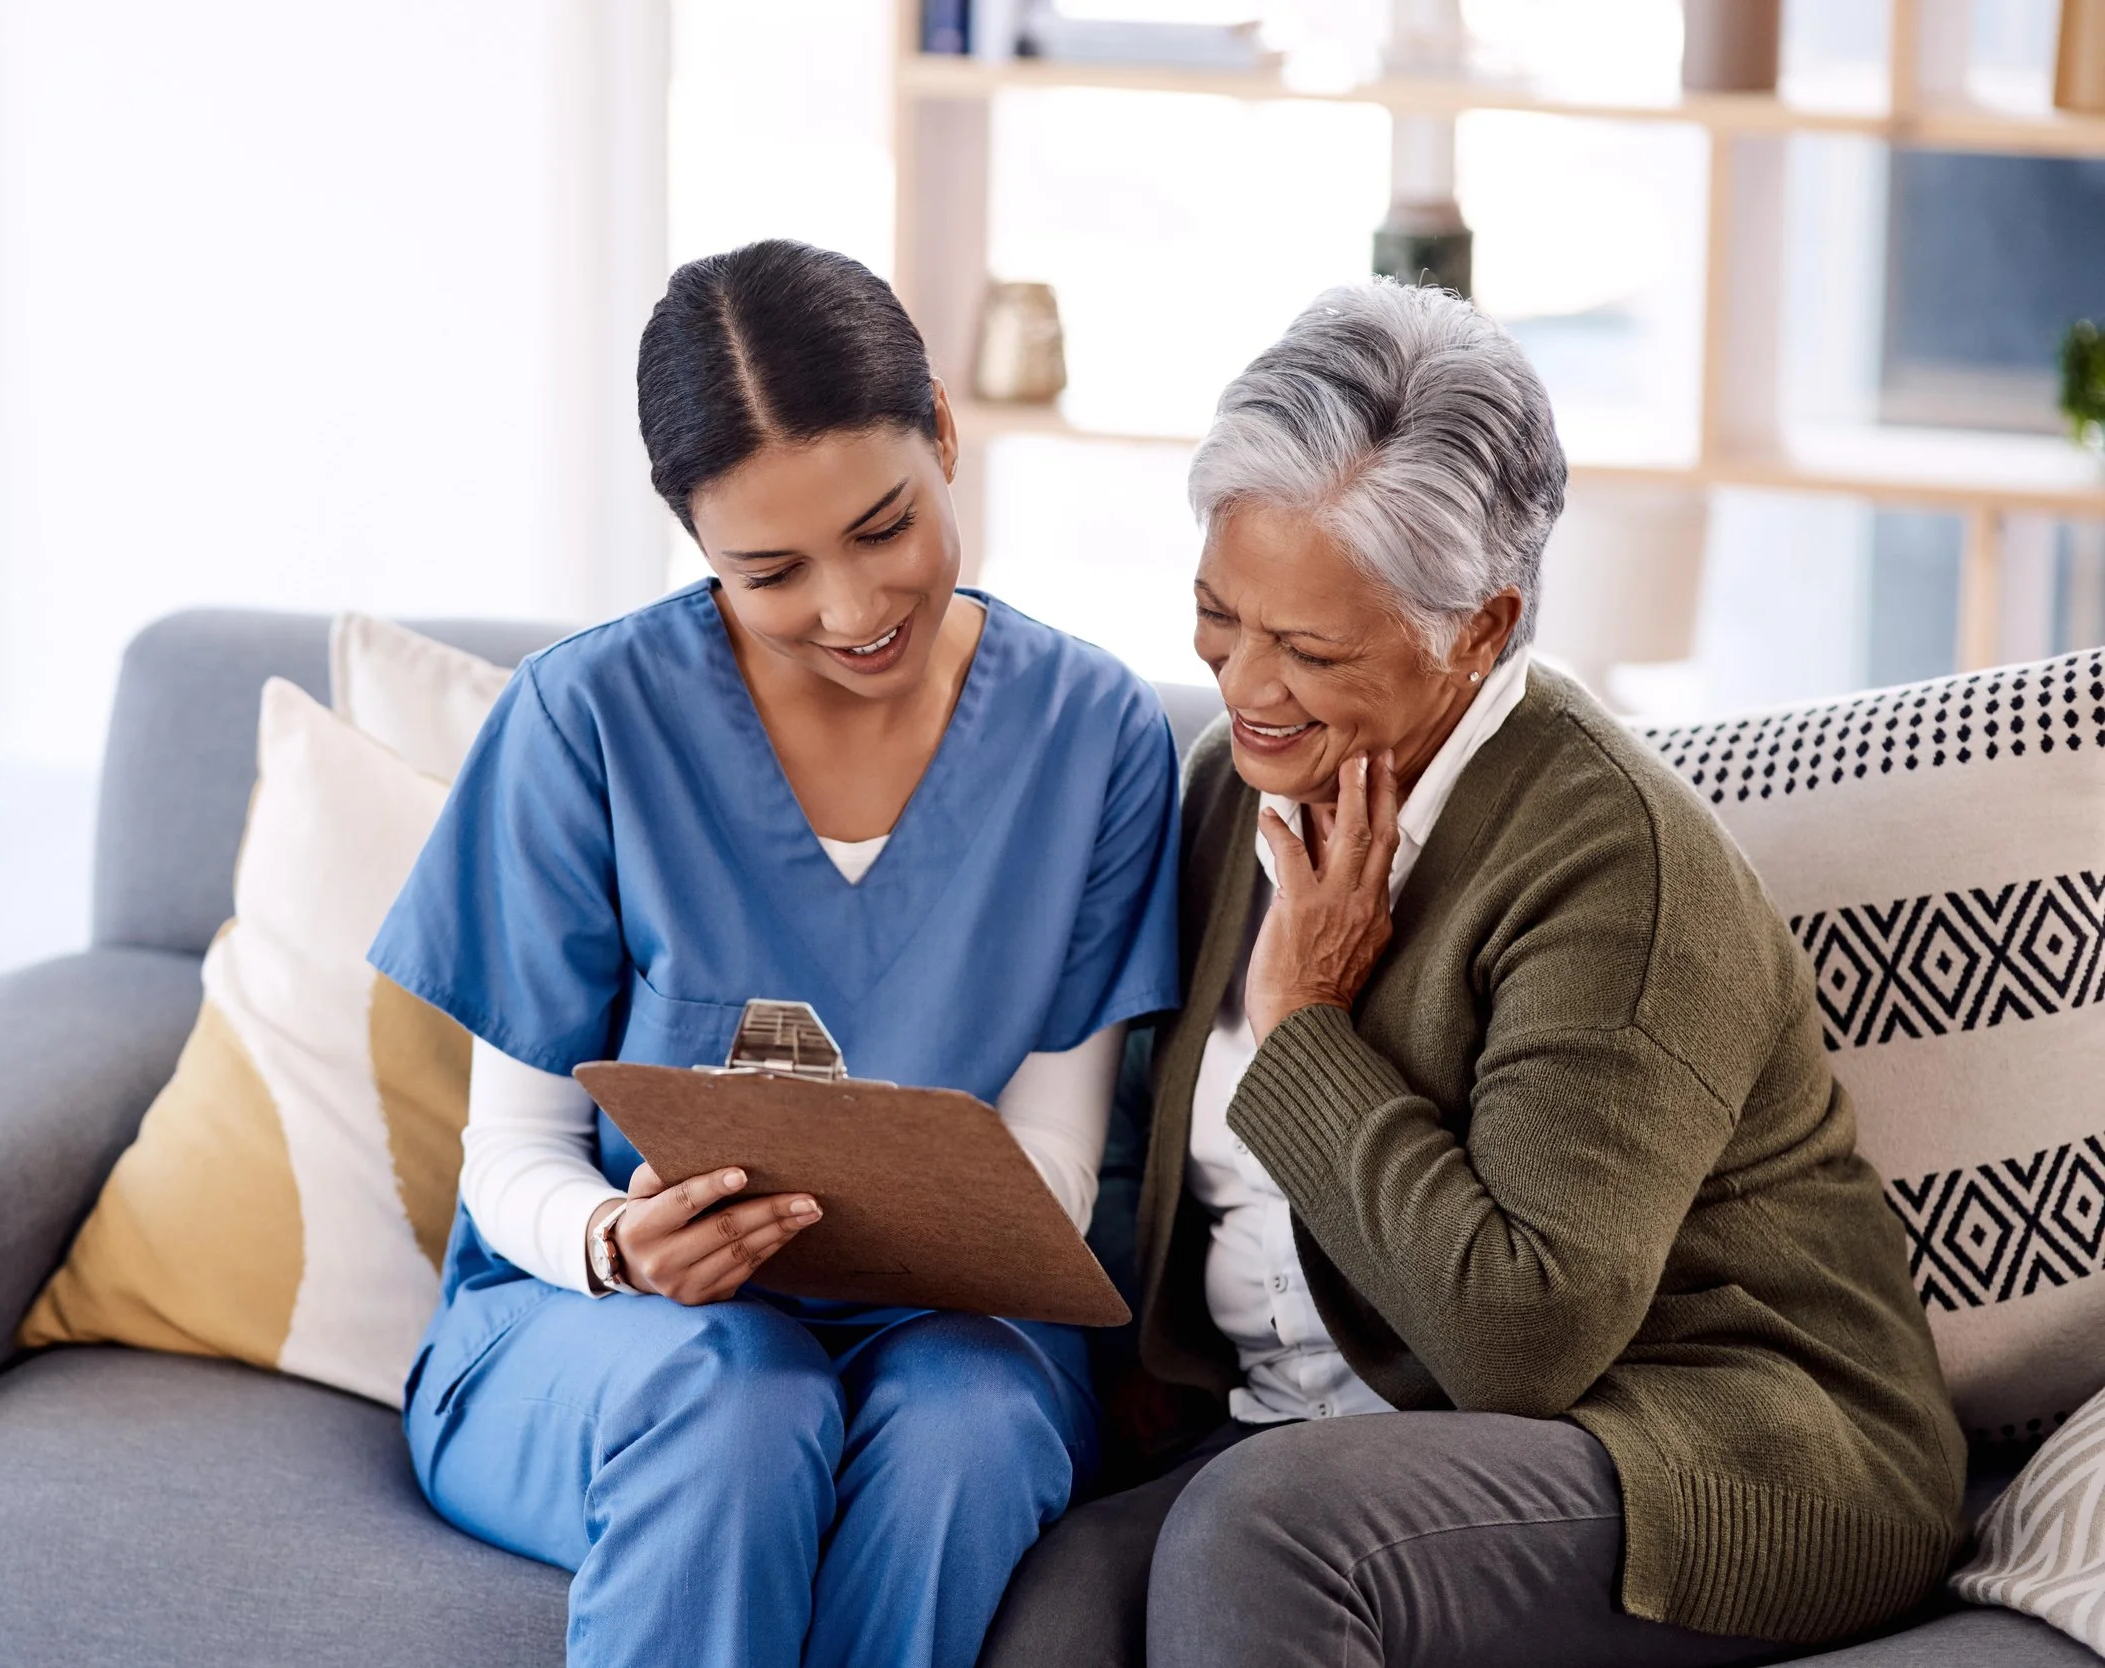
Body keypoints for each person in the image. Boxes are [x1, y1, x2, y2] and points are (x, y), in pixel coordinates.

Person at [983, 280, 1965, 1668]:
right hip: (1332, 1431)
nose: (1246, 684)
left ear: (1483, 627)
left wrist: (1307, 1023)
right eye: (1219, 615)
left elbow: (1521, 1341)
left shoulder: (1617, 867)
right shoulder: (1228, 789)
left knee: (1262, 1532)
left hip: (1712, 1443)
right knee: (1060, 1595)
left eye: (1311, 648)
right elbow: (1153, 1164)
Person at [369, 239, 1181, 1668]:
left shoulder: (1094, 736)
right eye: (770, 572)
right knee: (739, 1393)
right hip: (610, 1339)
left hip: (953, 1332)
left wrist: (915, 1231)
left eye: (885, 528)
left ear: (942, 429)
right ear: (692, 540)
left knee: (970, 1429)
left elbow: (1056, 1160)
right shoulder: (590, 722)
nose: (856, 611)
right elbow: (513, 1161)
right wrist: (618, 1242)